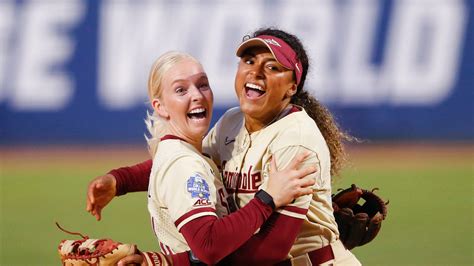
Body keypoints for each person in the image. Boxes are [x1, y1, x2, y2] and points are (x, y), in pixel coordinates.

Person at [87, 28, 361, 265]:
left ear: (291, 87)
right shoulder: (233, 121)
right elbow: (185, 160)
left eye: (273, 67)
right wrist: (119, 181)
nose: (256, 72)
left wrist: (170, 262)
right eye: (249, 60)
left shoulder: (296, 141)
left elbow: (269, 252)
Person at [118, 51, 315, 265]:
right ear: (161, 107)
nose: (197, 95)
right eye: (181, 90)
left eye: (202, 85)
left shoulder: (187, 153)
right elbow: (209, 246)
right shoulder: (183, 163)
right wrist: (267, 199)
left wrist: (119, 180)